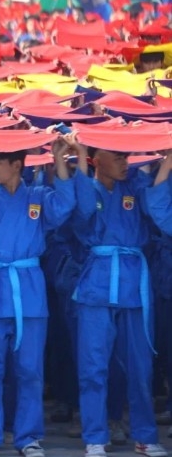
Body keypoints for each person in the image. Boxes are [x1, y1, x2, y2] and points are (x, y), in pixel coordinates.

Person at [0, 137, 75, 457]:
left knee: (30, 370)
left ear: (17, 166)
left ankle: (28, 437)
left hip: (28, 291)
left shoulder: (38, 196)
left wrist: (59, 160)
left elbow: (65, 207)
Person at [69, 140, 168, 457]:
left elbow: (158, 208)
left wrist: (166, 161)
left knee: (141, 368)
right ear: (96, 160)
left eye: (127, 156)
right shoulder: (86, 188)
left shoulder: (136, 184)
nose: (125, 162)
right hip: (97, 284)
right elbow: (81, 216)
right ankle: (95, 437)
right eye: (118, 156)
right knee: (93, 366)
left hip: (133, 285)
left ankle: (145, 435)